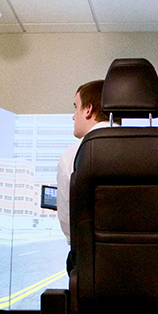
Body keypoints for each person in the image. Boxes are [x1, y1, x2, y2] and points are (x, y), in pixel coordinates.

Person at [57, 80, 111, 274]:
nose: (73, 116)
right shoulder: (157, 148)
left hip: (92, 266)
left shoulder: (72, 155)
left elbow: (68, 221)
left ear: (88, 110)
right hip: (153, 267)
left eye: (76, 107)